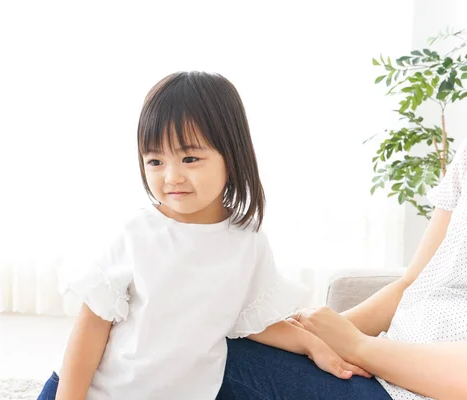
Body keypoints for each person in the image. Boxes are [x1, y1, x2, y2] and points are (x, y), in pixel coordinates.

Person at [36, 71, 370, 400]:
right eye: (154, 161)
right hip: (96, 389)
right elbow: (91, 328)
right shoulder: (135, 234)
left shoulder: (247, 240)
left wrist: (312, 344)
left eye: (190, 158)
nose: (171, 177)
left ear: (231, 154)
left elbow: (250, 322)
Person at [219, 138, 467, 399]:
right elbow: (412, 283)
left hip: (413, 389)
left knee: (217, 360)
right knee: (218, 340)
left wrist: (355, 345)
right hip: (379, 367)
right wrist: (315, 337)